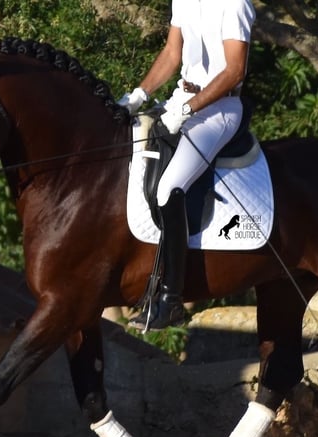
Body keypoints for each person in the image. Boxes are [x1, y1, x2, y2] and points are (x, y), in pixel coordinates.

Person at [118, 0, 256, 331]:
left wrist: (188, 110)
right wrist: (139, 94)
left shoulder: (235, 4)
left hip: (219, 109)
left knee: (169, 189)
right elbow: (171, 53)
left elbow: (235, 70)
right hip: (181, 99)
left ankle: (171, 300)